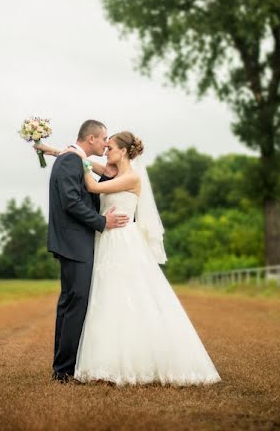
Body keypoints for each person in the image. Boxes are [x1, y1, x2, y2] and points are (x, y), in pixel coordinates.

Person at [59, 131, 221, 386]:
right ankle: (106, 361)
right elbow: (88, 164)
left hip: (123, 241)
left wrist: (80, 156)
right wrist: (51, 150)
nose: (106, 151)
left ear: (123, 151)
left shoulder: (132, 177)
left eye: (110, 147)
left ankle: (137, 361)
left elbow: (92, 185)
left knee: (129, 295)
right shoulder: (114, 172)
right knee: (106, 298)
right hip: (106, 241)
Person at [45, 120, 130, 383]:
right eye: (104, 138)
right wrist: (103, 222)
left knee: (70, 303)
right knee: (75, 304)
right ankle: (65, 370)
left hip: (73, 242)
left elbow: (88, 196)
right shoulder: (71, 161)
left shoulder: (74, 159)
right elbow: (71, 202)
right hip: (74, 243)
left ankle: (62, 368)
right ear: (91, 138)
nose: (106, 144)